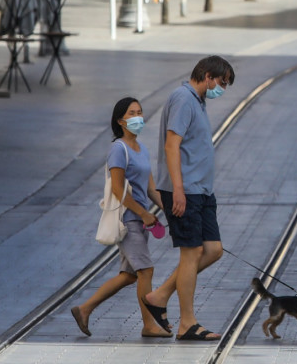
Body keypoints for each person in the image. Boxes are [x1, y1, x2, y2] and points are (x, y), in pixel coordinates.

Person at [141, 56, 235, 341]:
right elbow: (172, 145)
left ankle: (160, 295)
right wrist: (177, 190)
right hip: (186, 191)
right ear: (208, 75)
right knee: (191, 253)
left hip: (202, 191)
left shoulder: (197, 100)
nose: (223, 89)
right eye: (222, 82)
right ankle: (187, 323)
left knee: (213, 250)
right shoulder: (182, 98)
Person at [70, 97, 170, 338]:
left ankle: (84, 309)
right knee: (145, 271)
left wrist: (170, 208)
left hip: (139, 219)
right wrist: (143, 213)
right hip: (129, 219)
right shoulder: (118, 149)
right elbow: (117, 189)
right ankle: (149, 325)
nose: (137, 116)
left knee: (129, 275)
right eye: (132, 113)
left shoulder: (142, 149)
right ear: (120, 120)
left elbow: (150, 188)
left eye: (140, 112)